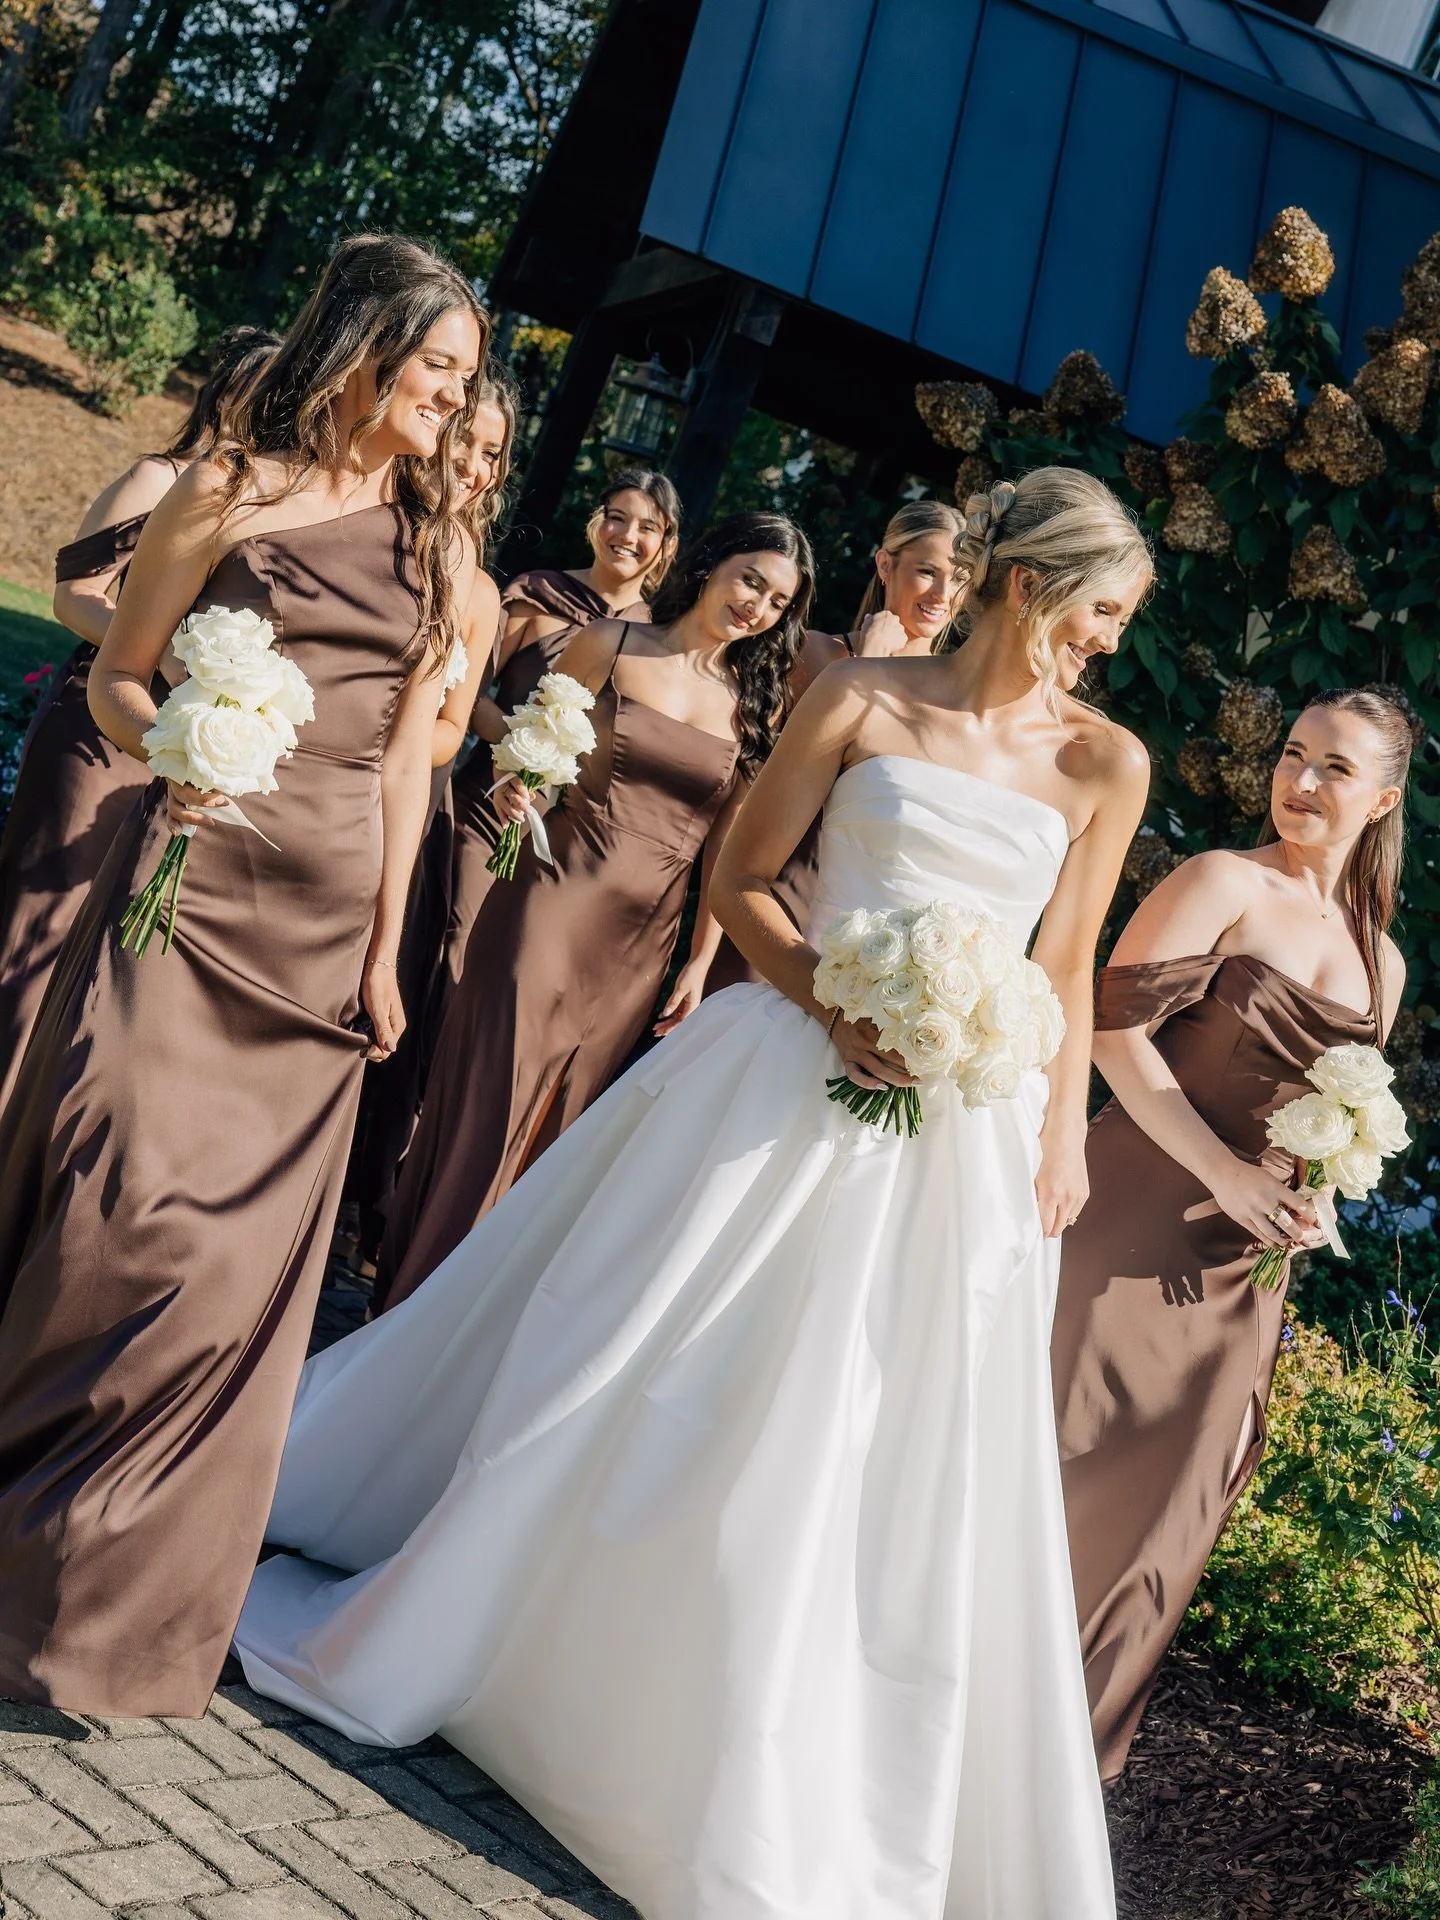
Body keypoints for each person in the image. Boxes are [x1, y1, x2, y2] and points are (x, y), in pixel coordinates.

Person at [235, 468, 1152, 1920]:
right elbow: (744, 879)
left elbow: (1064, 961)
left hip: (963, 1135)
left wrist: (1065, 1136)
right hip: (784, 1070)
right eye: (1102, 611)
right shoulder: (862, 697)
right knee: (640, 1354)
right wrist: (833, 997)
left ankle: (769, 1745)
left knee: (867, 1431)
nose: (1111, 643)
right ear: (1031, 585)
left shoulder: (1108, 763)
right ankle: (528, 1630)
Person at [0, 234, 486, 1717]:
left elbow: (410, 764)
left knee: (219, 1279)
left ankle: (90, 1604)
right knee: (118, 1205)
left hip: (324, 928)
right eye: (438, 371)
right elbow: (117, 672)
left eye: (467, 382)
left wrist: (394, 948)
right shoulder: (225, 490)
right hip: (190, 885)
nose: (454, 406)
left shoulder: (442, 554)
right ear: (364, 351)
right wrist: (177, 758)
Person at [1052, 685, 1410, 1783]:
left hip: (1243, 1273)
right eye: (1294, 756)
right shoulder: (1221, 880)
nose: (1300, 782)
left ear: (1382, 798)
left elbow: (1344, 1129)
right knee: (1052, 1457)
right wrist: (1219, 1171)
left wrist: (1321, 1205)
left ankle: (1058, 1768)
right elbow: (1104, 1025)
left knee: (1167, 1515)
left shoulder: (1383, 964)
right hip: (1129, 1216)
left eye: (1335, 769)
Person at [371, 510, 814, 1315]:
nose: (758, 606)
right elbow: (542, 745)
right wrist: (520, 785)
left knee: (561, 1119)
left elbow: (728, 847)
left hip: (643, 935)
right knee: (492, 1089)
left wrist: (701, 957)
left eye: (778, 601)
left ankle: (481, 1317)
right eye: (752, 578)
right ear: (713, 564)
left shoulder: (757, 706)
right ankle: (414, 1299)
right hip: (549, 892)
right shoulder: (610, 643)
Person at [0, 326, 278, 1106]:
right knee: (43, 912)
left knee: (109, 933)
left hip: (185, 741)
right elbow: (71, 595)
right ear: (226, 392)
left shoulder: (261, 512)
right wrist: (156, 653)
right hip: (98, 727)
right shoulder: (159, 478)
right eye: (262, 392)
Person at [342, 372, 516, 1272]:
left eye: (495, 455)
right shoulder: (356, 528)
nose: (478, 468)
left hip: (405, 801)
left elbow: (448, 730)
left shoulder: (481, 594)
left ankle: (353, 1201)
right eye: (468, 443)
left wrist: (379, 751)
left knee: (389, 998)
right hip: (305, 777)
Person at [707, 498, 965, 993]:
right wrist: (866, 668)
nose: (942, 593)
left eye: (959, 578)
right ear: (885, 564)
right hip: (775, 896)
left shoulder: (951, 700)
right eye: (927, 572)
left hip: (875, 922)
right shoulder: (815, 656)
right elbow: (758, 786)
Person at [442, 467, 682, 993]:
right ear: (596, 523)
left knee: (514, 974)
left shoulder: (660, 635)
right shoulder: (539, 593)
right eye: (617, 518)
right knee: (456, 947)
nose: (628, 536)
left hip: (573, 833)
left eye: (648, 527)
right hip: (491, 806)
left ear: (666, 543)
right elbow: (471, 695)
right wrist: (527, 756)